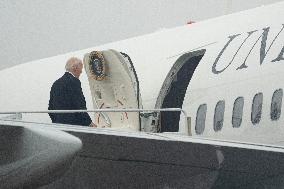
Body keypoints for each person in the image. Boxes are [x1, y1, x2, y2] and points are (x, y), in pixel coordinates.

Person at [48, 57, 96, 127]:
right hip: (74, 125)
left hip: (59, 125)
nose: (81, 72)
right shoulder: (74, 82)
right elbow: (79, 105)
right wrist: (89, 123)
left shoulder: (56, 83)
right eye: (81, 69)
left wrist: (56, 122)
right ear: (75, 68)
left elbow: (50, 108)